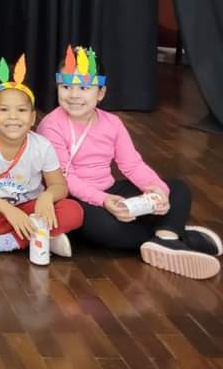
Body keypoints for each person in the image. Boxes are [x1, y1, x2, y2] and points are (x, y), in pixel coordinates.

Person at [38, 46, 221, 279]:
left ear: (101, 92)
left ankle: (166, 238)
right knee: (105, 228)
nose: (74, 95)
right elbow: (66, 178)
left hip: (108, 189)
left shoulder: (112, 123)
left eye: (84, 87)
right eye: (66, 87)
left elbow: (132, 164)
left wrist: (158, 191)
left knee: (178, 189)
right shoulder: (51, 126)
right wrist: (104, 201)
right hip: (73, 196)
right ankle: (174, 235)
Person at [0, 56, 84, 256]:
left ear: (32, 117)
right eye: (4, 110)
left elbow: (59, 186)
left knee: (74, 211)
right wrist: (8, 210)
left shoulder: (42, 146)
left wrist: (47, 197)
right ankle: (42, 237)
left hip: (32, 208)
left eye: (21, 110)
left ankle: (7, 241)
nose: (13, 116)